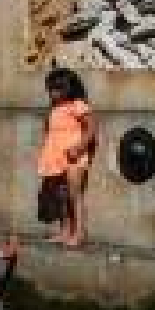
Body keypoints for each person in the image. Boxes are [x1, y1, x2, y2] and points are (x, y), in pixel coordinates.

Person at [36, 68, 97, 247]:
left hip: (73, 156)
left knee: (74, 194)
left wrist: (79, 147)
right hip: (55, 156)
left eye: (56, 89)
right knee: (60, 195)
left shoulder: (77, 105)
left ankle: (79, 233)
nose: (52, 93)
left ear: (67, 88)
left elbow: (92, 128)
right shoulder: (55, 108)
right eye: (50, 89)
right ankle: (65, 231)